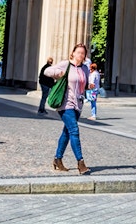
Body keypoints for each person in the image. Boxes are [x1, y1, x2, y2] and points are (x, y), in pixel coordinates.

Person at [45, 42, 92, 175]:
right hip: (65, 104)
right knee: (74, 130)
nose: (80, 55)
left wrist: (90, 86)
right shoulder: (66, 64)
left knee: (67, 132)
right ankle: (80, 163)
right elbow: (46, 71)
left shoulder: (85, 69)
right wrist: (58, 73)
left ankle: (57, 159)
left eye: (83, 53)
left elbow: (84, 85)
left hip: (78, 104)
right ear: (73, 53)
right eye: (78, 52)